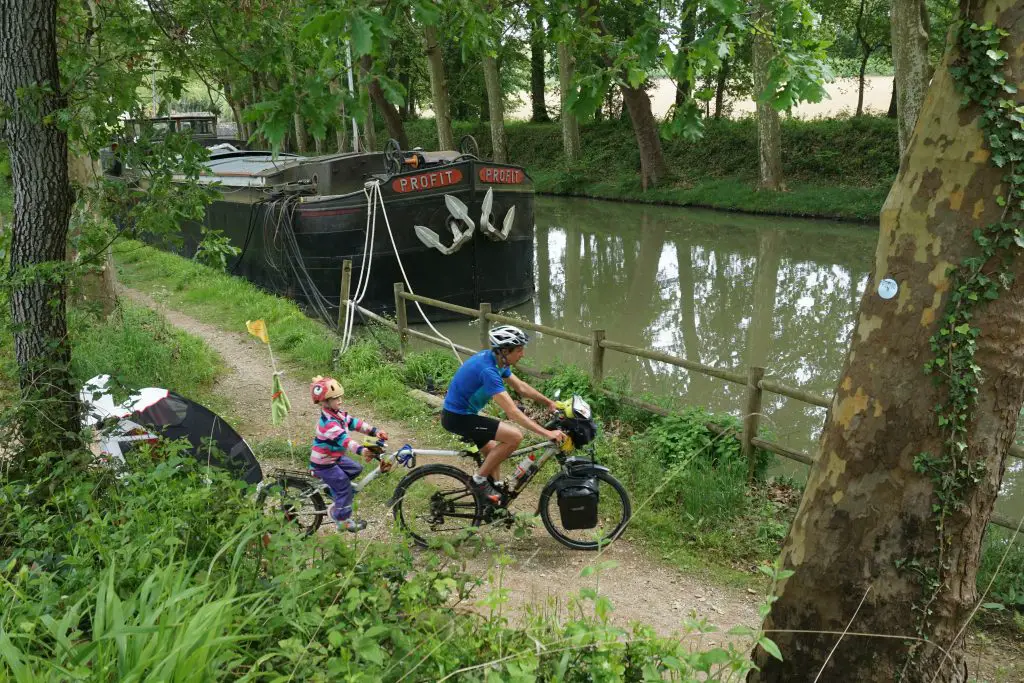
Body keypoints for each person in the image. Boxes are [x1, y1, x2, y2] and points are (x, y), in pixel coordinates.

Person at [441, 325, 565, 505]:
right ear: (505, 351)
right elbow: (512, 412)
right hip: (458, 418)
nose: (522, 354)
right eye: (519, 350)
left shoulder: (497, 361)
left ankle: (493, 497)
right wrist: (547, 433)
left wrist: (548, 402)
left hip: (463, 414)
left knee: (493, 452)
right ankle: (478, 482)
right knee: (514, 437)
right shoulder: (488, 370)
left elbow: (521, 387)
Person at [309, 375, 388, 532]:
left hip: (334, 458)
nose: (340, 401)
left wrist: (375, 431)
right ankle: (342, 520)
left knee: (356, 469)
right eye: (335, 398)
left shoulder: (338, 414)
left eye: (340, 397)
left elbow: (356, 423)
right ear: (324, 402)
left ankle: (335, 491)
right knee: (344, 485)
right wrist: (362, 450)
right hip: (323, 463)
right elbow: (345, 440)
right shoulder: (328, 423)